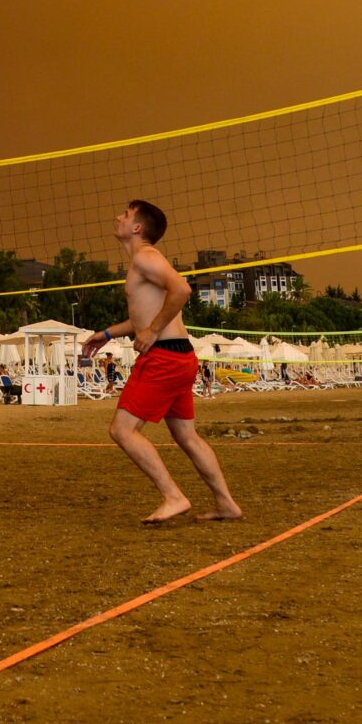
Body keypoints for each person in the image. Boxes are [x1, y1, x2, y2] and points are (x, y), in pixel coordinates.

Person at [82, 200, 243, 525]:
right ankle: (227, 504)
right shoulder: (142, 262)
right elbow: (142, 317)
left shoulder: (145, 257)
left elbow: (182, 290)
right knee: (187, 436)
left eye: (125, 215)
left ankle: (173, 496)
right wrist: (107, 333)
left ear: (137, 228)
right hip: (180, 355)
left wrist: (153, 331)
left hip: (165, 356)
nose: (118, 218)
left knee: (122, 431)